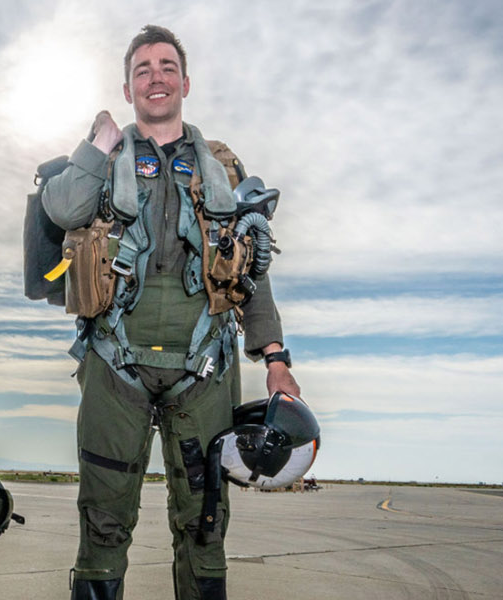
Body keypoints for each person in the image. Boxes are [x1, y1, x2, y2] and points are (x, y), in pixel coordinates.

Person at [40, 26, 301, 600]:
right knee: (104, 522)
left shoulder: (222, 168)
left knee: (205, 523)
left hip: (204, 370)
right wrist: (96, 145)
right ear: (128, 87)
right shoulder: (104, 160)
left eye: (165, 67)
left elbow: (251, 269)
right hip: (116, 365)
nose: (154, 77)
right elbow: (60, 209)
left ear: (185, 82)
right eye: (142, 69)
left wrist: (276, 358)